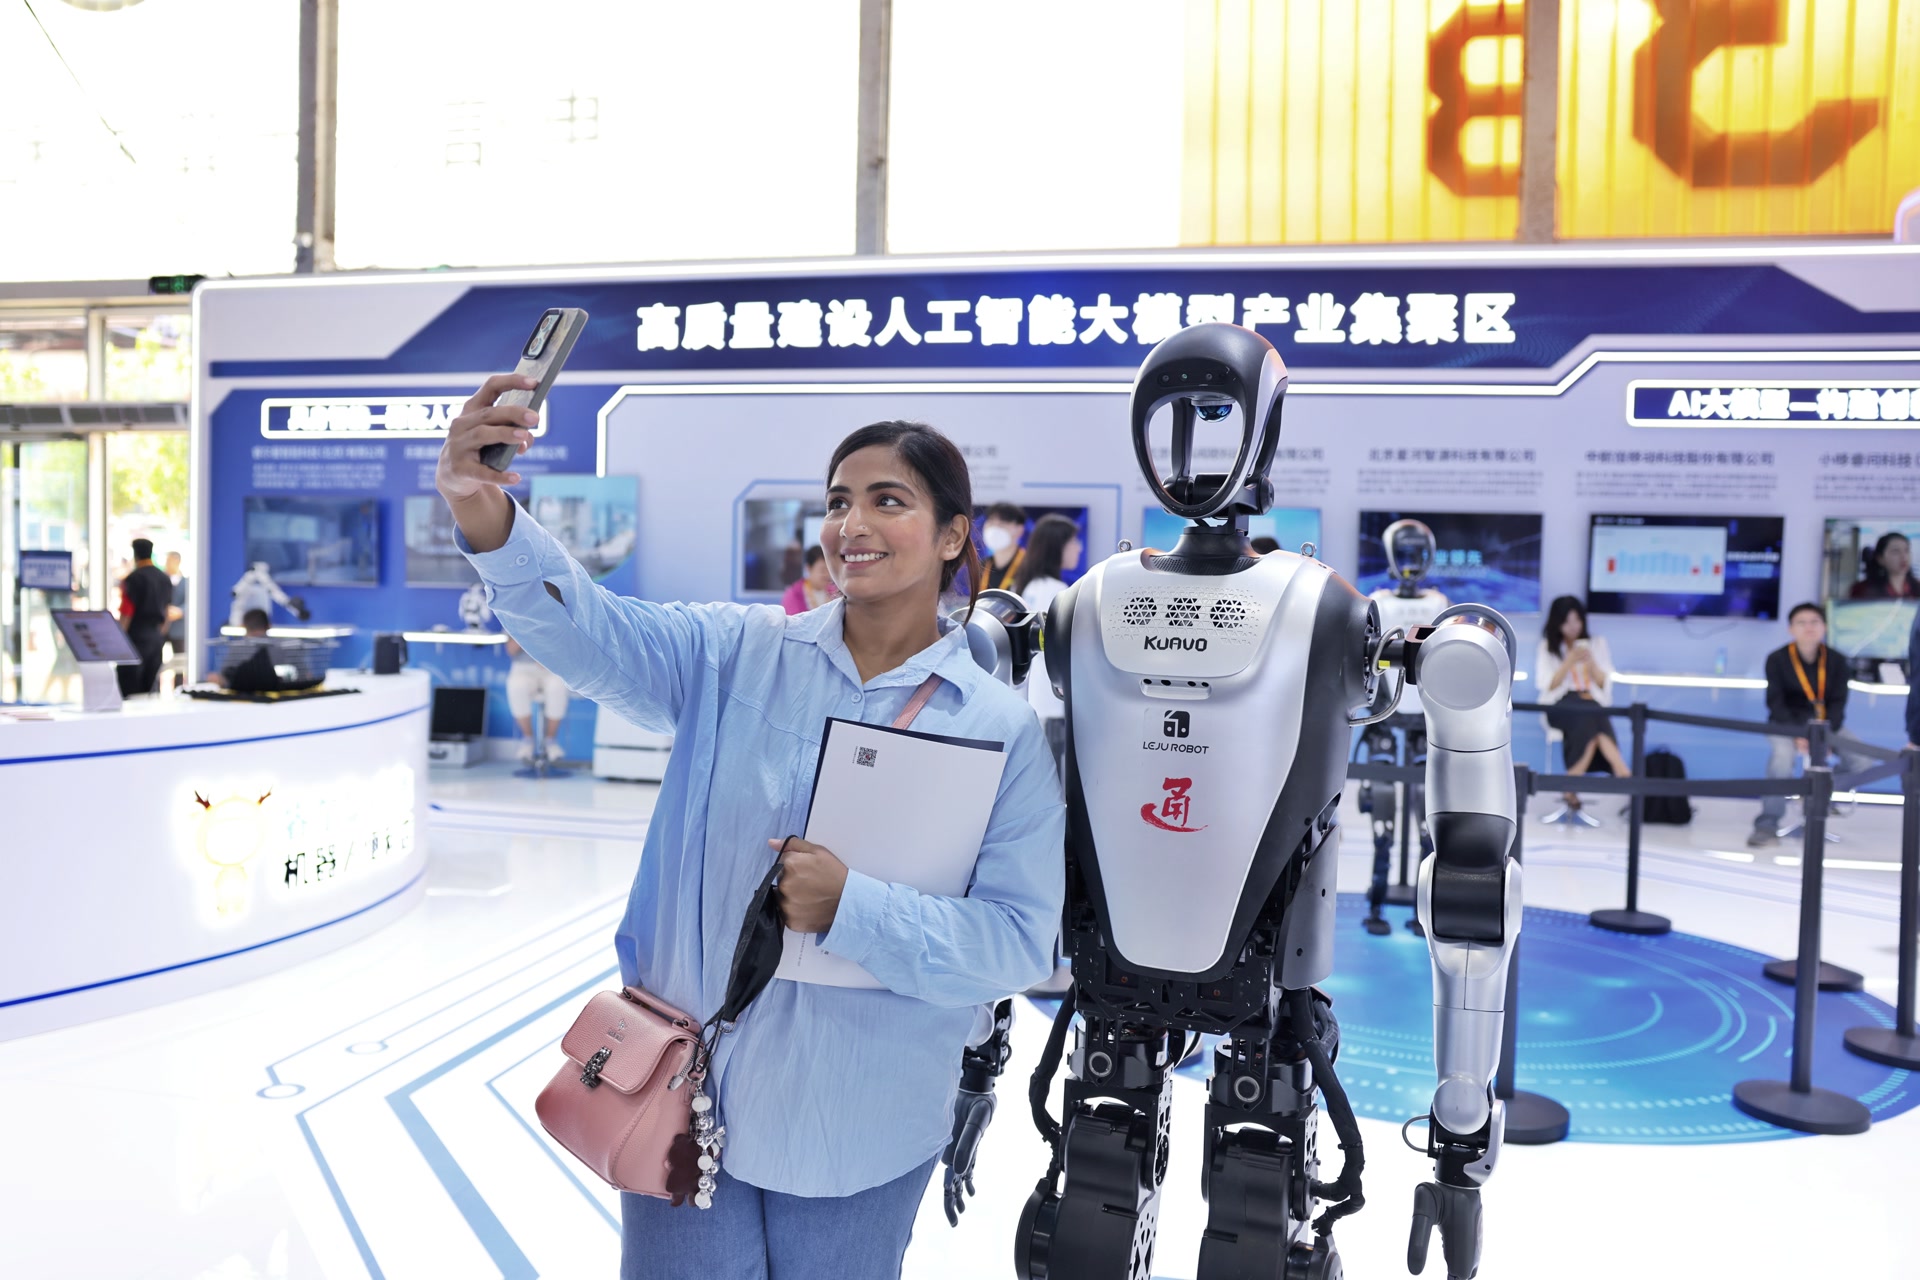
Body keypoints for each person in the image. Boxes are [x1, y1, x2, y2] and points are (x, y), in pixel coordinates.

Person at [438, 376, 1063, 1280]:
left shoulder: (995, 729)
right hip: (687, 1100)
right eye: (838, 501)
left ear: (953, 535)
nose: (852, 524)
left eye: (888, 501)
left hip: (860, 1127)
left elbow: (1017, 942)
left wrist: (856, 909)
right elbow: (592, 629)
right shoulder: (735, 654)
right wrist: (483, 508)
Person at [1749, 602, 1877, 847]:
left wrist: (1824, 737)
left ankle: (1818, 794)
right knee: (1781, 760)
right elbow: (1775, 703)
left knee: (1863, 761)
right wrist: (1800, 734)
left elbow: (1838, 703)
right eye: (1802, 622)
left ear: (1824, 627)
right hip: (1786, 725)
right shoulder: (1777, 659)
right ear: (1791, 629)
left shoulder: (1837, 661)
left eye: (1814, 622)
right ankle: (1767, 824)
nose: (1809, 627)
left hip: (1827, 725)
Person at [1534, 596, 1631, 825]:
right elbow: (1547, 685)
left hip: (1590, 705)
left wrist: (1591, 662)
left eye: (1577, 620)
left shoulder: (1597, 643)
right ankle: (1622, 771)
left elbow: (1604, 683)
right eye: (1567, 621)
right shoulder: (1547, 647)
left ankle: (1570, 785)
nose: (1573, 626)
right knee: (1591, 714)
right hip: (1559, 705)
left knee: (1590, 718)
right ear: (1557, 622)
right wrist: (1568, 661)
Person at [1012, 513, 1083, 770]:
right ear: (1057, 546)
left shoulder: (1029, 586)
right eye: (1073, 541)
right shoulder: (1055, 591)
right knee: (1054, 774)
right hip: (1052, 701)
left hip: (1034, 697)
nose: (1078, 547)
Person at [117, 537, 172, 695]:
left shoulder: (134, 578)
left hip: (136, 638)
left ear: (136, 555)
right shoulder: (164, 578)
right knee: (150, 690)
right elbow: (167, 612)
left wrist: (120, 638)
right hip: (155, 638)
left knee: (130, 689)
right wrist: (159, 635)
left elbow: (127, 612)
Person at [505, 636, 570, 762]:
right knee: (517, 687)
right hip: (523, 668)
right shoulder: (516, 621)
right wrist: (525, 631)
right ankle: (528, 739)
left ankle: (550, 740)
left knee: (557, 687)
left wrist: (546, 658)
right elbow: (510, 650)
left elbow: (566, 644)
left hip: (552, 666)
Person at [205, 609, 272, 688]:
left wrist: (217, 679)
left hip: (239, 694)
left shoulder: (237, 648)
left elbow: (223, 679)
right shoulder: (280, 648)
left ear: (243, 626)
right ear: (269, 626)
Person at [1849, 531, 1920, 599]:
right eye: (1896, 551)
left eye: (1907, 550)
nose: (1904, 557)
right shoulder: (1863, 589)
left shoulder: (1917, 586)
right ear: (1880, 558)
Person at [977, 502, 1027, 592]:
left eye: (1003, 522)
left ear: (1019, 529)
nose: (995, 528)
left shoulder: (1029, 565)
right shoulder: (982, 566)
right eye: (991, 521)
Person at [780, 545, 837, 614]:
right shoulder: (793, 595)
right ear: (808, 568)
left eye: (829, 569)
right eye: (822, 570)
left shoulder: (835, 593)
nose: (827, 574)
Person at [163, 550, 188, 655]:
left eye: (170, 561)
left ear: (177, 561)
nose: (167, 564)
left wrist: (180, 611)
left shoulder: (186, 582)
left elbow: (191, 602)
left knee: (180, 656)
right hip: (162, 626)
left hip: (179, 629)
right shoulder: (161, 580)